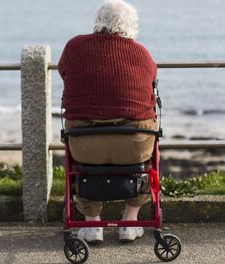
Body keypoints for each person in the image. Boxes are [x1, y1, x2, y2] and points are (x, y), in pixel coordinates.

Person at [58, 0, 158, 243]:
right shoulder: (141, 53)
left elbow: (63, 72)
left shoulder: (74, 47)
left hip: (85, 145)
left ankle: (92, 225)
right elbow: (151, 86)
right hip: (133, 144)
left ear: (98, 21)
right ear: (131, 25)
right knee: (150, 149)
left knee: (78, 167)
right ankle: (129, 221)